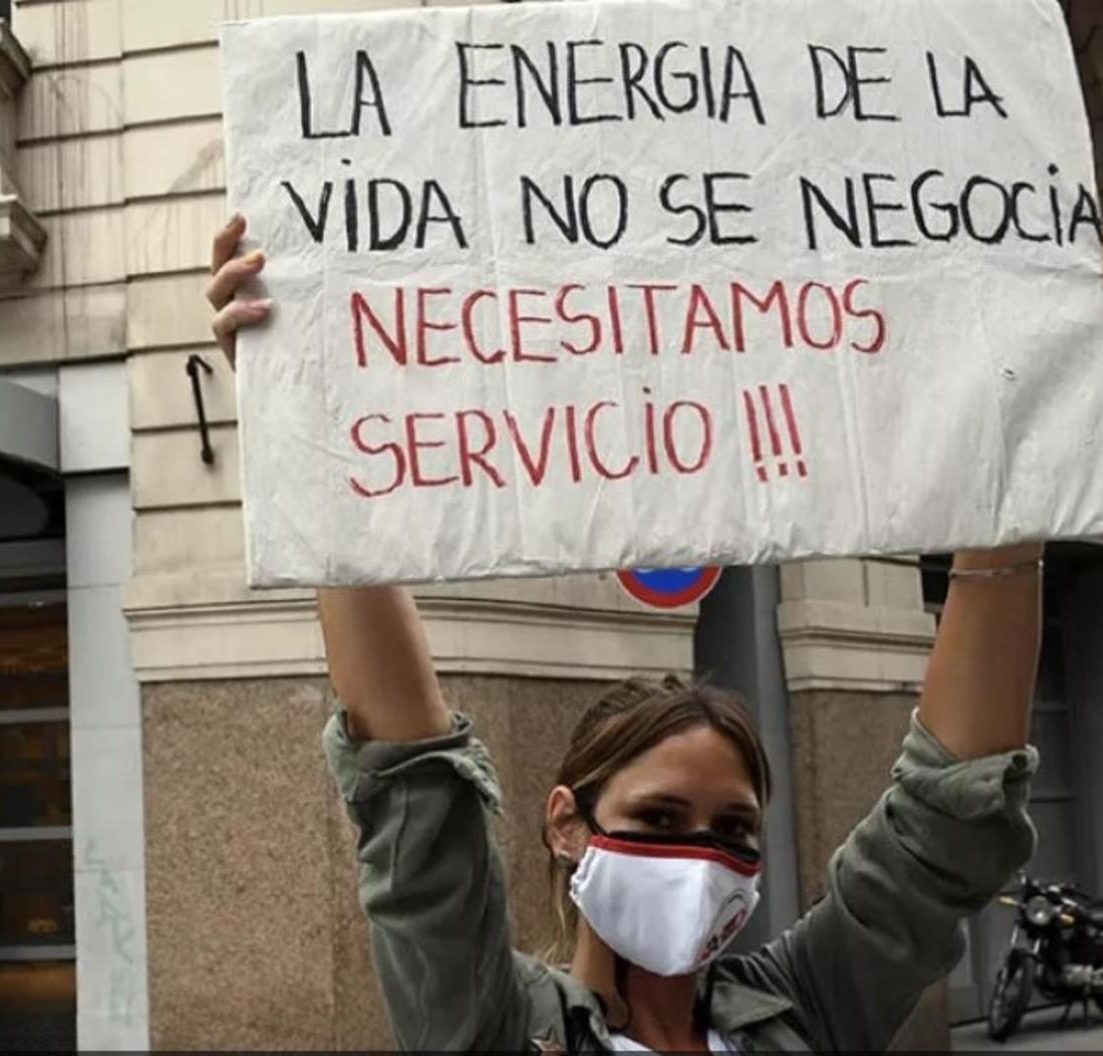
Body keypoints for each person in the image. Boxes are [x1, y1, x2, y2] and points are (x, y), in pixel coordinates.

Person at [208, 215, 1043, 1053]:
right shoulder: (495, 1025)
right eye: (658, 817)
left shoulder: (803, 1009)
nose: (699, 857)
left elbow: (945, 819)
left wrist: (1017, 463)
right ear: (567, 824)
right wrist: (302, 425)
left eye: (734, 830)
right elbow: (412, 784)